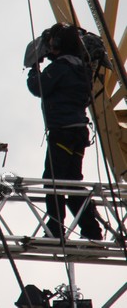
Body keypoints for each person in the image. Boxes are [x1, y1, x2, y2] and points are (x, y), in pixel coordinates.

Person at [26, 23, 103, 241]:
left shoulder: (60, 68)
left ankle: (55, 229)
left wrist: (34, 69)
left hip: (62, 133)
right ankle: (92, 231)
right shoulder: (83, 69)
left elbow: (38, 87)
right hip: (79, 133)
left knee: (53, 182)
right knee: (73, 183)